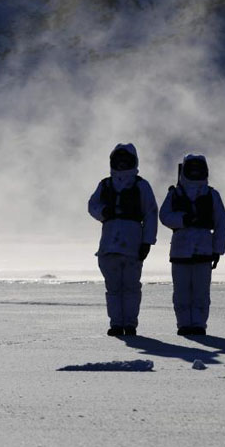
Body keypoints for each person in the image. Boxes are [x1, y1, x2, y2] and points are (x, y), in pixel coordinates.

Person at [88, 143, 158, 336]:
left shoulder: (141, 185)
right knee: (113, 288)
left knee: (131, 288)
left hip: (132, 245)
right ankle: (116, 324)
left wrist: (147, 242)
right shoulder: (106, 185)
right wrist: (103, 212)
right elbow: (92, 205)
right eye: (118, 161)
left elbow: (151, 213)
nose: (121, 165)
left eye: (125, 161)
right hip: (109, 246)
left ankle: (130, 324)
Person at [159, 154, 225, 336]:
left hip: (204, 250)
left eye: (199, 169)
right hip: (181, 250)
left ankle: (198, 325)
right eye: (193, 169)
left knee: (200, 293)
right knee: (181, 292)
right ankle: (183, 325)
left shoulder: (212, 194)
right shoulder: (175, 194)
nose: (195, 172)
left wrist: (217, 250)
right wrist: (183, 220)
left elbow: (221, 223)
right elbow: (164, 216)